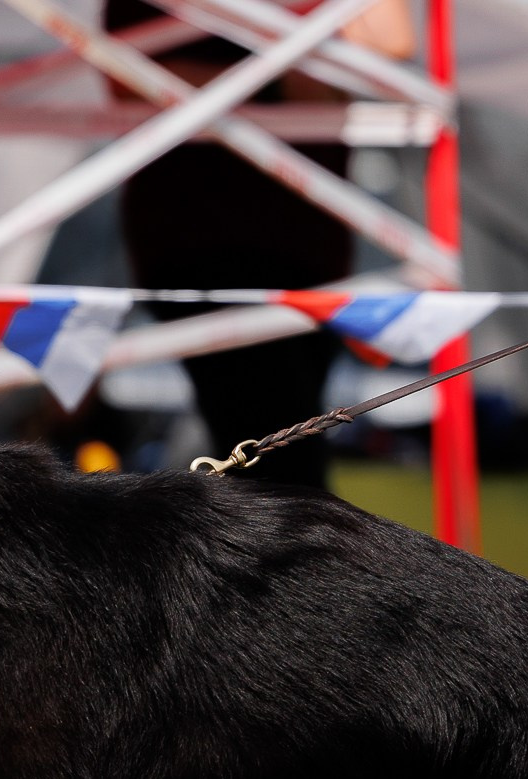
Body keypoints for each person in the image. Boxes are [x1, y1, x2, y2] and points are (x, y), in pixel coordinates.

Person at [104, 0, 414, 489]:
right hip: (206, 244)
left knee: (282, 461)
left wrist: (284, 75)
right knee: (280, 473)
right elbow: (132, 80)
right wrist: (285, 76)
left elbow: (391, 41)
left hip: (310, 250)